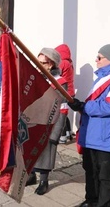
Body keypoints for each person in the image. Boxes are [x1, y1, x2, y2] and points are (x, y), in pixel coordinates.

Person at [68, 44, 110, 207]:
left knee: (105, 176)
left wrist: (84, 106)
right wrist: (79, 105)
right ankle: (91, 201)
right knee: (90, 172)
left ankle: (105, 204)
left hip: (107, 136)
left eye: (99, 57)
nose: (96, 60)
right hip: (92, 135)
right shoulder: (102, 77)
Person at [26, 48, 67, 195]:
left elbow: (62, 108)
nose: (38, 65)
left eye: (42, 63)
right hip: (32, 121)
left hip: (49, 123)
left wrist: (56, 132)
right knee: (29, 149)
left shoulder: (60, 82)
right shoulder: (36, 77)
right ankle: (30, 176)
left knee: (45, 152)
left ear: (51, 64)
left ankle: (44, 180)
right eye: (37, 62)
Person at [55, 44, 75, 144]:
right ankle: (68, 132)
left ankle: (62, 136)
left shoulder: (62, 63)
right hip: (69, 92)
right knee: (64, 113)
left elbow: (55, 74)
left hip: (63, 91)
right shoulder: (69, 63)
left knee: (60, 114)